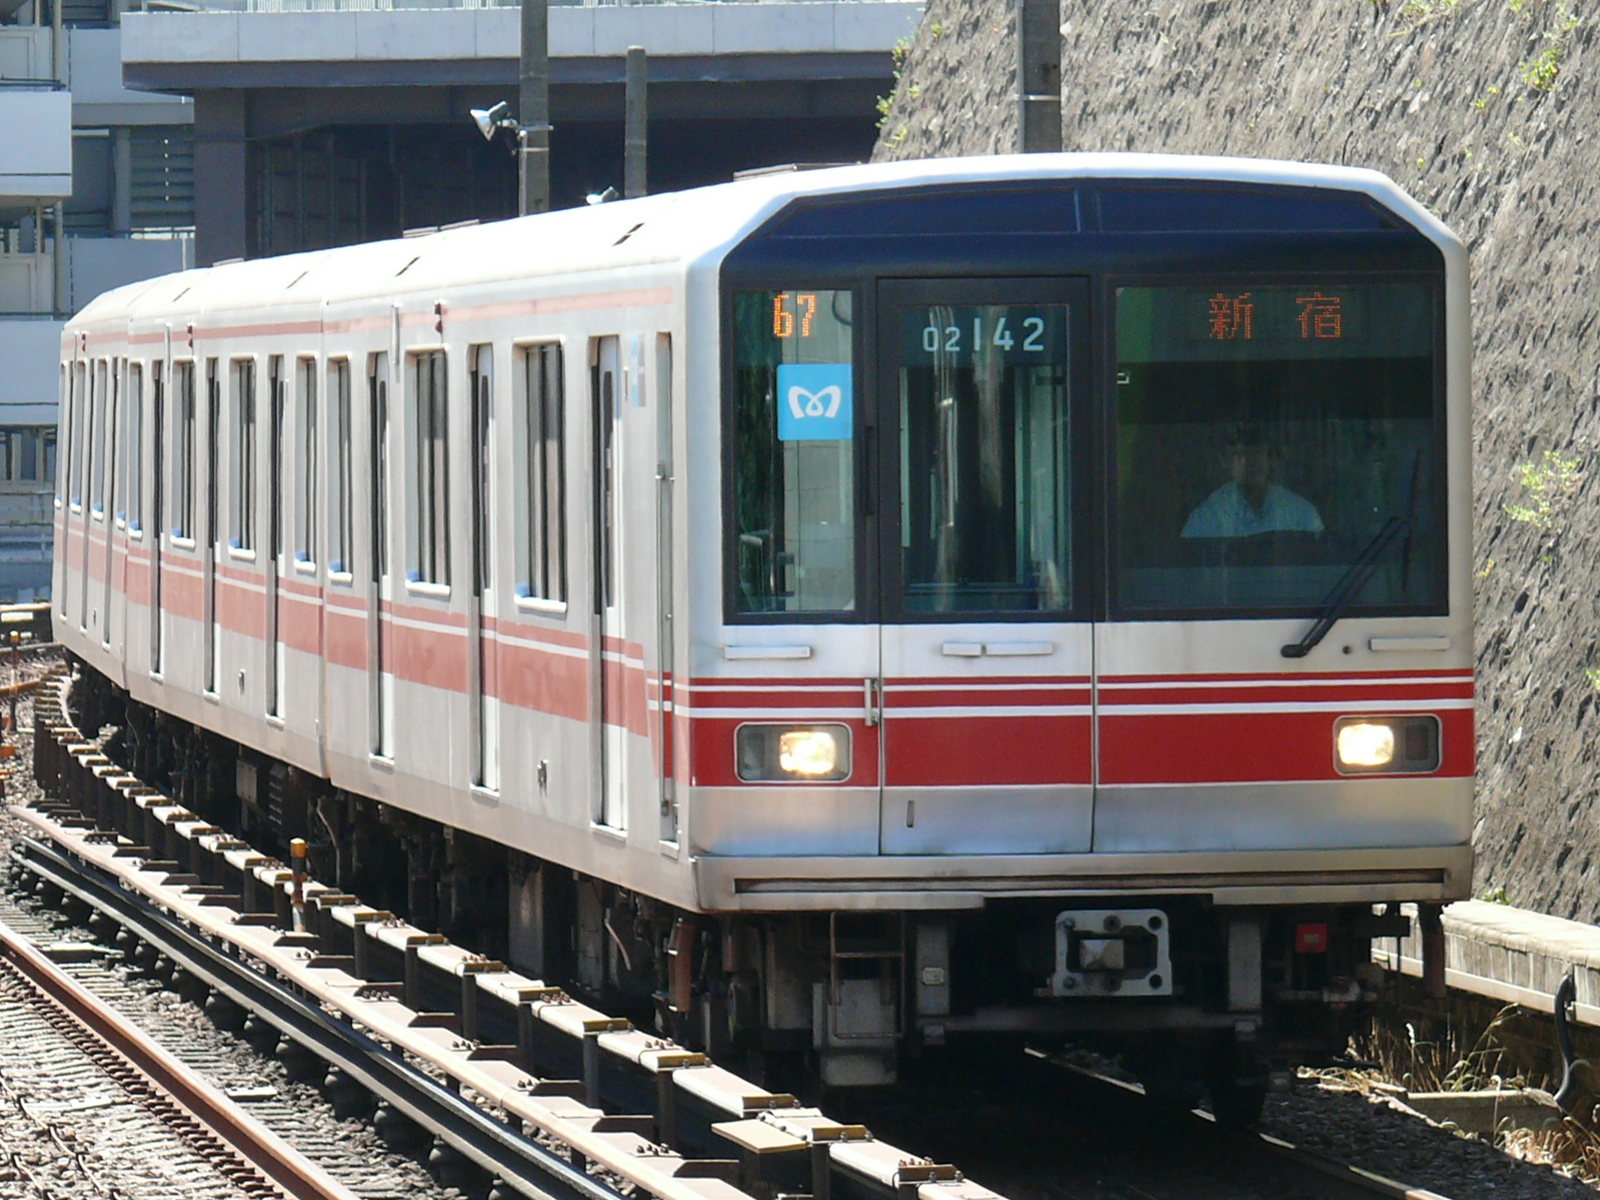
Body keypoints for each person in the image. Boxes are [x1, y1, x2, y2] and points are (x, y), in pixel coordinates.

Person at [1181, 424, 1322, 539]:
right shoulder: (1205, 519)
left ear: (1270, 459)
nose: (1251, 462)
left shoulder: (1302, 514)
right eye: (1241, 454)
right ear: (1224, 460)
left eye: (1258, 453)